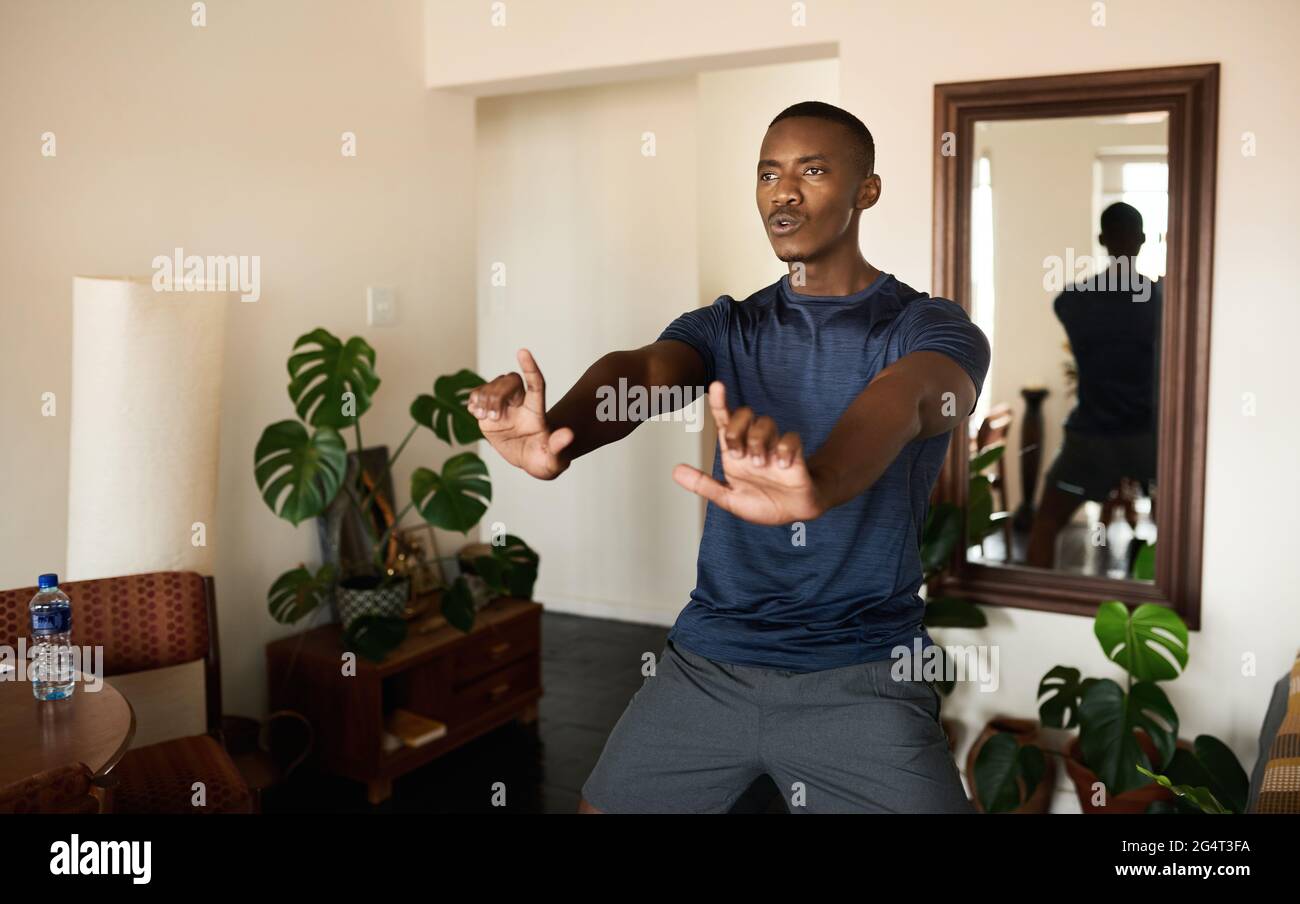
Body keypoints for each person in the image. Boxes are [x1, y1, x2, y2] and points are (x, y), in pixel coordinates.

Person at [466, 101, 990, 813]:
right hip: (709, 663)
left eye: (812, 171)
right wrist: (560, 431)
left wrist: (823, 480)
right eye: (768, 173)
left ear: (866, 190)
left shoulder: (925, 326)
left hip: (863, 674)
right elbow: (647, 372)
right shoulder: (727, 326)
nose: (784, 192)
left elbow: (913, 397)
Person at [1026, 201, 1161, 571]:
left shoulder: (1074, 301)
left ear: (1102, 239)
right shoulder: (1161, 300)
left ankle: (1040, 606)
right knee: (1179, 529)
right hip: (1145, 437)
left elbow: (1062, 302)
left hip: (1092, 439)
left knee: (1047, 522)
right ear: (1142, 240)